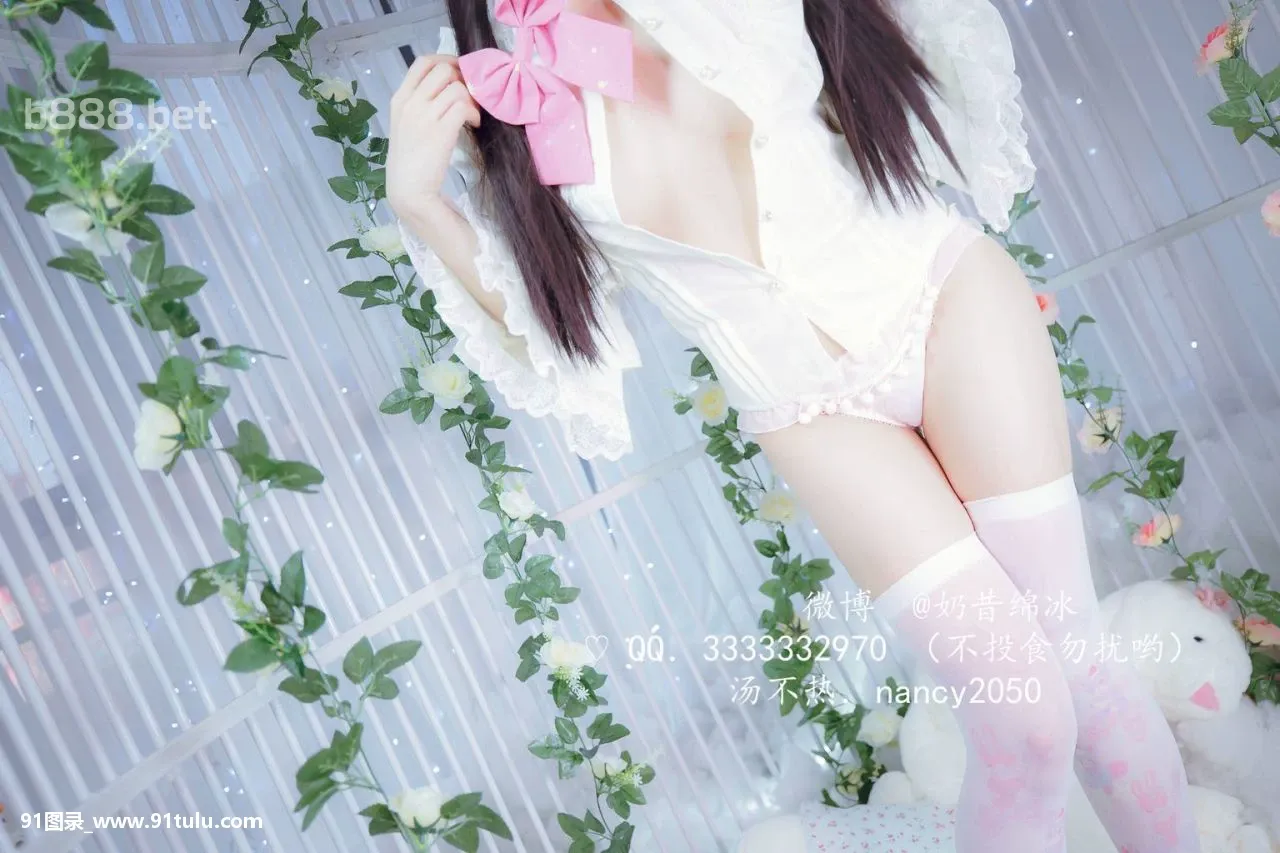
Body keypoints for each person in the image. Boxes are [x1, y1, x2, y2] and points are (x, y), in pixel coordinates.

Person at [385, 1, 1199, 850]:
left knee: (1074, 660)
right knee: (1022, 723)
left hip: (944, 298)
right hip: (813, 413)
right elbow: (549, 319)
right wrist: (417, 199)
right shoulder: (489, 83)